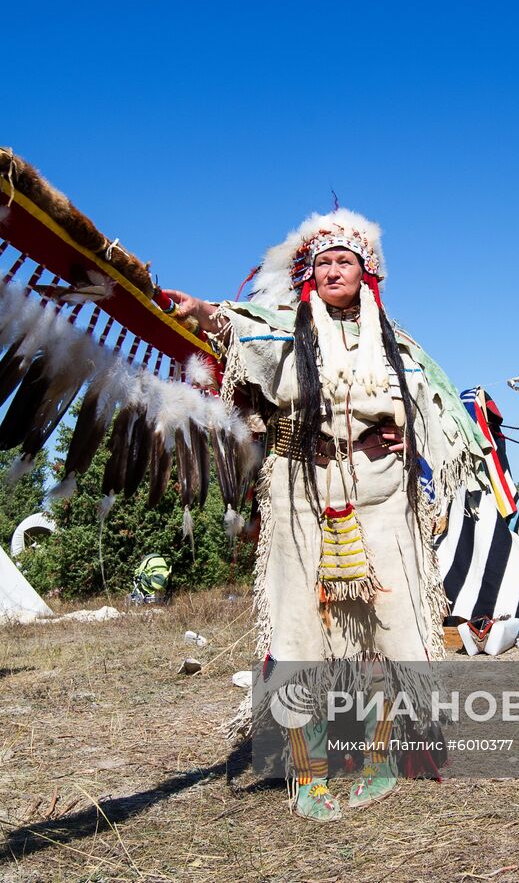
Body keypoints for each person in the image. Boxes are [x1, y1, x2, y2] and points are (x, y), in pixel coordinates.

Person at [165, 209, 486, 821]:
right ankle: (308, 775)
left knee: (389, 629)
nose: (335, 270)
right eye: (324, 262)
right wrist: (202, 311)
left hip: (384, 499)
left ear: (368, 275)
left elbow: (437, 417)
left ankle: (380, 761)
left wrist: (405, 439)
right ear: (308, 275)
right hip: (301, 494)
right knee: (297, 632)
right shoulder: (285, 328)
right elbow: (233, 329)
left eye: (346, 261)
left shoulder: (402, 348)